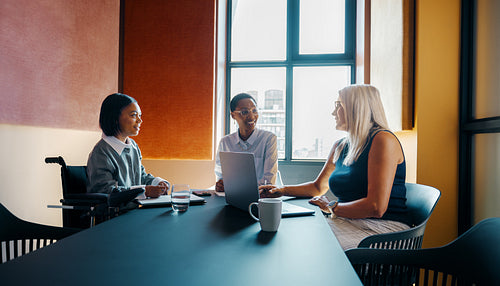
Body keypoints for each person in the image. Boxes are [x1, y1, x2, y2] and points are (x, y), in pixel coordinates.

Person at [260, 84, 409, 250]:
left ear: (356, 109)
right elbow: (317, 187)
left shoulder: (382, 140)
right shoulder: (341, 146)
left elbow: (376, 208)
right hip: (347, 222)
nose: (333, 112)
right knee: (291, 237)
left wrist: (331, 207)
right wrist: (281, 190)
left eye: (339, 105)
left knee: (306, 247)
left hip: (382, 230)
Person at [87, 93, 170, 206]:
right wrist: (144, 191)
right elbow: (106, 191)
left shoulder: (133, 146)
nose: (140, 121)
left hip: (133, 212)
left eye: (140, 115)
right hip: (114, 217)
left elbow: (140, 176)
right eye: (134, 115)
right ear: (115, 117)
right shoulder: (101, 152)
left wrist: (157, 182)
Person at [214, 93, 278, 192]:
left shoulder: (268, 139)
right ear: (233, 115)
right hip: (233, 197)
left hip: (264, 198)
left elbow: (268, 183)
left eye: (254, 111)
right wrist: (220, 184)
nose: (252, 117)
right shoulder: (225, 142)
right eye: (245, 112)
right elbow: (221, 176)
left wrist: (234, 186)